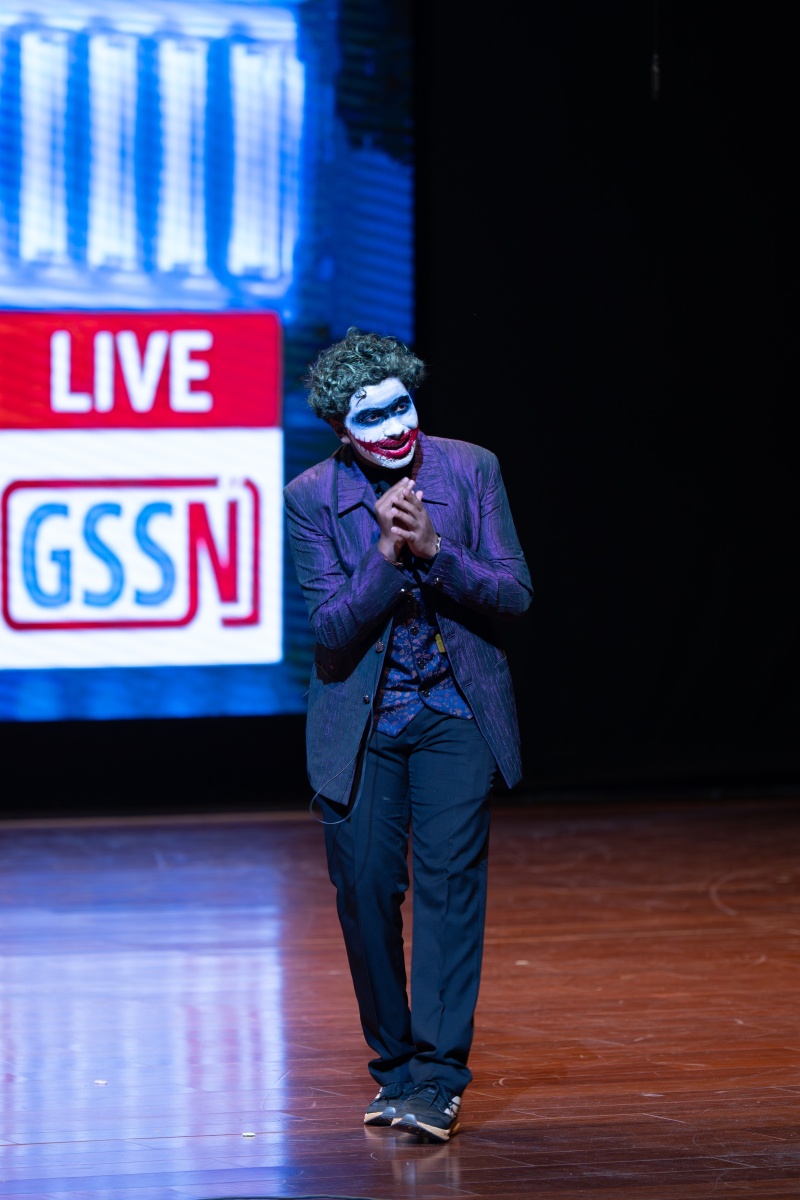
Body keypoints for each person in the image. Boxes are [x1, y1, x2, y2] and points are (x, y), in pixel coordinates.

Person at [284, 328, 532, 1141]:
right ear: (340, 428)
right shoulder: (311, 496)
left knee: (450, 885)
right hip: (362, 717)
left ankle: (439, 1077)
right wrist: (388, 556)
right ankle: (395, 1069)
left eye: (403, 406)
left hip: (456, 709)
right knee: (363, 890)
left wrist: (436, 550)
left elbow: (514, 594)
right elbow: (330, 627)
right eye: (372, 417)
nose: (395, 428)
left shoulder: (471, 469)